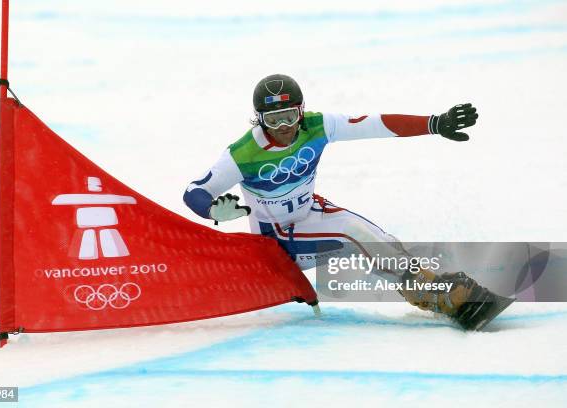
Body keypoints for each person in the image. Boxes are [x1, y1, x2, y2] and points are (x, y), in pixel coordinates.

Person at [183, 73, 510, 330]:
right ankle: (447, 298)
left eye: (289, 116)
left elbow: (373, 124)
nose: (284, 127)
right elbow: (194, 191)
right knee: (354, 235)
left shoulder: (316, 126)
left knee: (379, 241)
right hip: (276, 242)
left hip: (310, 213)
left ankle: (443, 295)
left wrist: (434, 123)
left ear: (301, 111)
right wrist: (212, 209)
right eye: (273, 119)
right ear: (258, 119)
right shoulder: (242, 153)